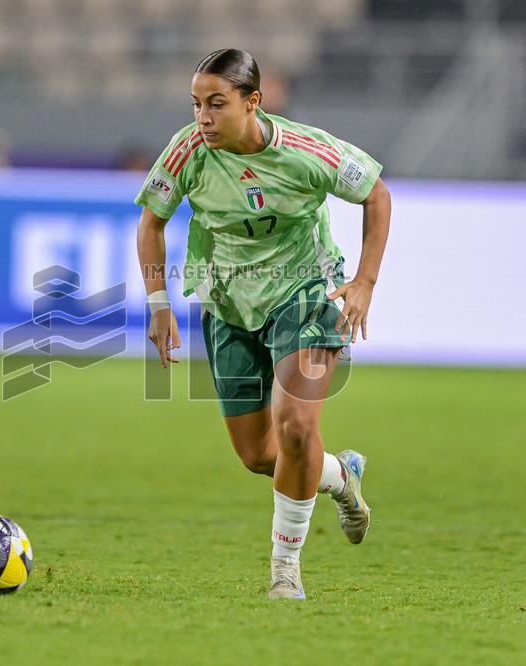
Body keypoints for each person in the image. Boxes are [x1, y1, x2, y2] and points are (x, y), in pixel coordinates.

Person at [134, 49, 391, 600]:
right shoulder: (188, 151)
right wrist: (159, 304)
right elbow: (151, 223)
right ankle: (339, 477)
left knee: (296, 426)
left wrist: (365, 282)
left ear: (253, 102)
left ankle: (284, 571)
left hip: (303, 292)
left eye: (216, 104)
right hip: (228, 304)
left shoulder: (305, 151)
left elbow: (375, 193)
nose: (202, 117)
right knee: (260, 454)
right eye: (197, 104)